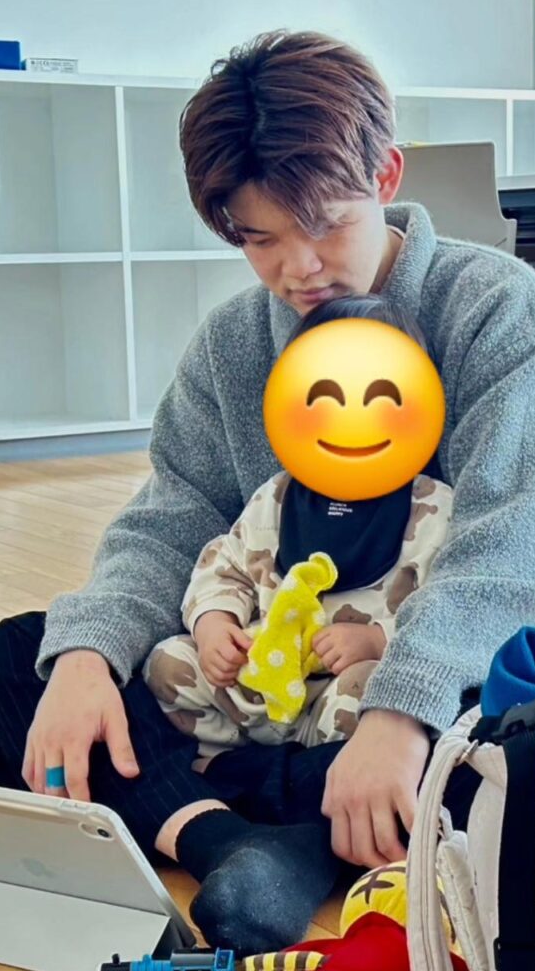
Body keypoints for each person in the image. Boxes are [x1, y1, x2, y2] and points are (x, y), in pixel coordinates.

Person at [0, 29, 535, 954]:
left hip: (442, 675)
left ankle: (232, 824)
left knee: (525, 737)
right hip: (271, 703)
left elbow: (517, 544)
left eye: (325, 225)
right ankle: (245, 840)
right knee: (21, 659)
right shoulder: (234, 343)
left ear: (386, 174)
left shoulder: (492, 306)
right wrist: (88, 657)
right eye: (260, 238)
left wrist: (400, 708)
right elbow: (172, 518)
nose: (297, 267)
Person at [143, 293, 453, 759]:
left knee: (373, 687)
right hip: (256, 680)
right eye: (326, 398)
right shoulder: (277, 496)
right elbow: (226, 564)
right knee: (167, 662)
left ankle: (308, 769)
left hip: (337, 699)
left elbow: (446, 605)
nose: (351, 418)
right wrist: (214, 624)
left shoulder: (432, 507)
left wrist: (378, 640)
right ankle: (224, 759)